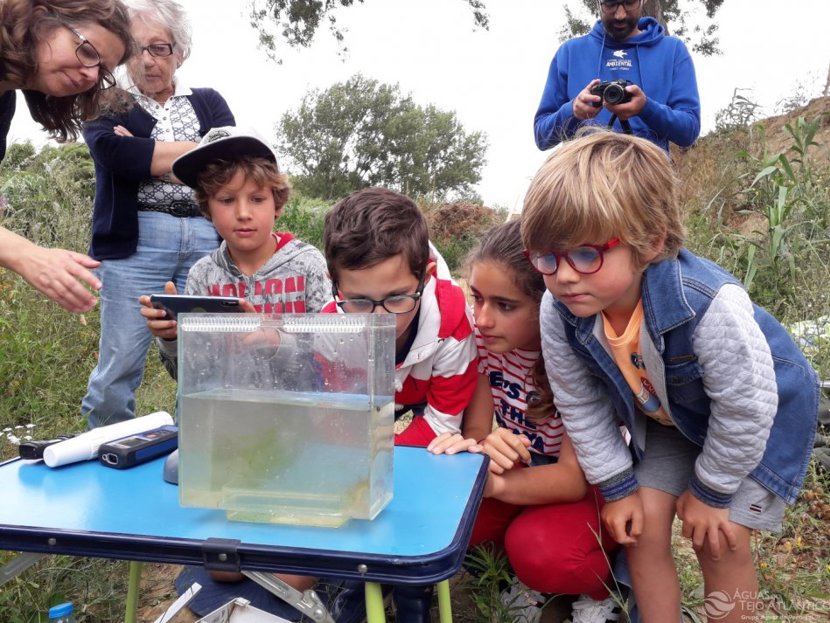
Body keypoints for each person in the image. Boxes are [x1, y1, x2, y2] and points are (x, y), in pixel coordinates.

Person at [521, 131, 819, 622]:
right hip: (669, 421)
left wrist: (711, 491)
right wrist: (616, 488)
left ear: (651, 242)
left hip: (754, 423)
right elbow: (580, 404)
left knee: (719, 539)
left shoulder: (707, 306)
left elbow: (748, 409)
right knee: (640, 528)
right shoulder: (561, 309)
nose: (565, 275)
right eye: (547, 256)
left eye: (587, 254)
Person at [138, 125, 331, 620]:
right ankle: (246, 574)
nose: (243, 212)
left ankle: (310, 578)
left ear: (278, 202)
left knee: (288, 551)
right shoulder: (203, 275)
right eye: (226, 199)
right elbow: (193, 379)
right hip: (233, 434)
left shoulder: (308, 264)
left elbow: (336, 351)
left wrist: (277, 339)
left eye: (257, 197)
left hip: (303, 425)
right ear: (208, 208)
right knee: (211, 537)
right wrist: (172, 338)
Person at [427, 219, 621, 623]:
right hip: (529, 463)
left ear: (547, 304)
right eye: (477, 299)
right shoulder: (483, 342)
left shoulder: (576, 356)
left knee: (540, 549)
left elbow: (571, 479)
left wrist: (495, 483)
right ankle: (523, 578)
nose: (482, 319)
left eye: (505, 305)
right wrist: (483, 449)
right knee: (453, 520)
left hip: (593, 480)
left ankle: (600, 588)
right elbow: (476, 432)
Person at [81, 0, 235, 429]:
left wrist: (148, 154)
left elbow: (227, 164)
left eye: (159, 48)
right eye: (135, 48)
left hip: (207, 240)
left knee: (203, 359)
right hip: (136, 241)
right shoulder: (106, 102)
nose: (147, 60)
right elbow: (114, 155)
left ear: (179, 52)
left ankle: (197, 449)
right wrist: (195, 159)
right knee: (120, 363)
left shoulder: (208, 101)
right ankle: (106, 449)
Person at [0, 0, 132, 313]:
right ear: (40, 17)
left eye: (101, 71)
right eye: (88, 51)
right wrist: (25, 253)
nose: (90, 74)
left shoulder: (5, 103)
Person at [533, 0, 700, 153]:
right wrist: (572, 111)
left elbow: (689, 132)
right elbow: (541, 136)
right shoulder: (570, 52)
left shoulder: (672, 50)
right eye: (611, 3)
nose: (620, 14)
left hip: (648, 181)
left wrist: (647, 109)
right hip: (584, 181)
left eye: (629, 3)